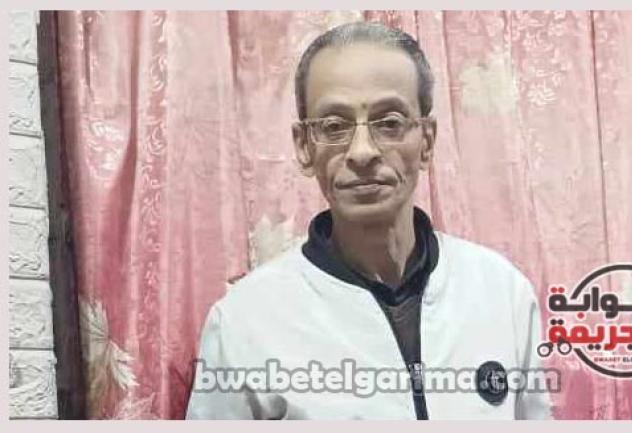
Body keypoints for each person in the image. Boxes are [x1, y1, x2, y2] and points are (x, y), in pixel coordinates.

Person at [185, 21, 552, 420]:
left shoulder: (501, 293)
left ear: (427, 142)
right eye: (334, 126)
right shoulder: (244, 321)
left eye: (389, 123)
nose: (362, 152)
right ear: (304, 147)